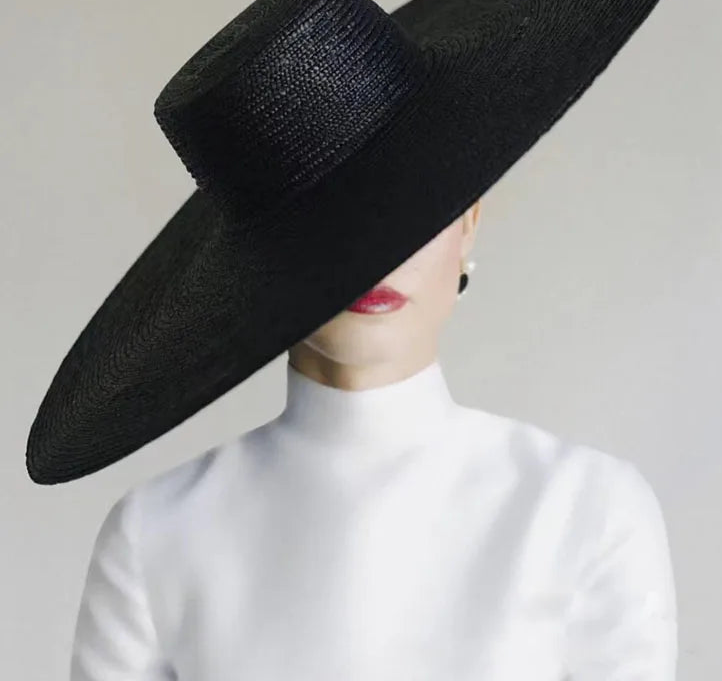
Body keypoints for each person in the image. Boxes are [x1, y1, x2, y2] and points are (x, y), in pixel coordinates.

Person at [70, 198, 678, 680]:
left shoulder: (587, 509)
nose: (377, 245)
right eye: (328, 203)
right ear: (263, 242)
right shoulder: (155, 531)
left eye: (415, 198)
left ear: (468, 222)